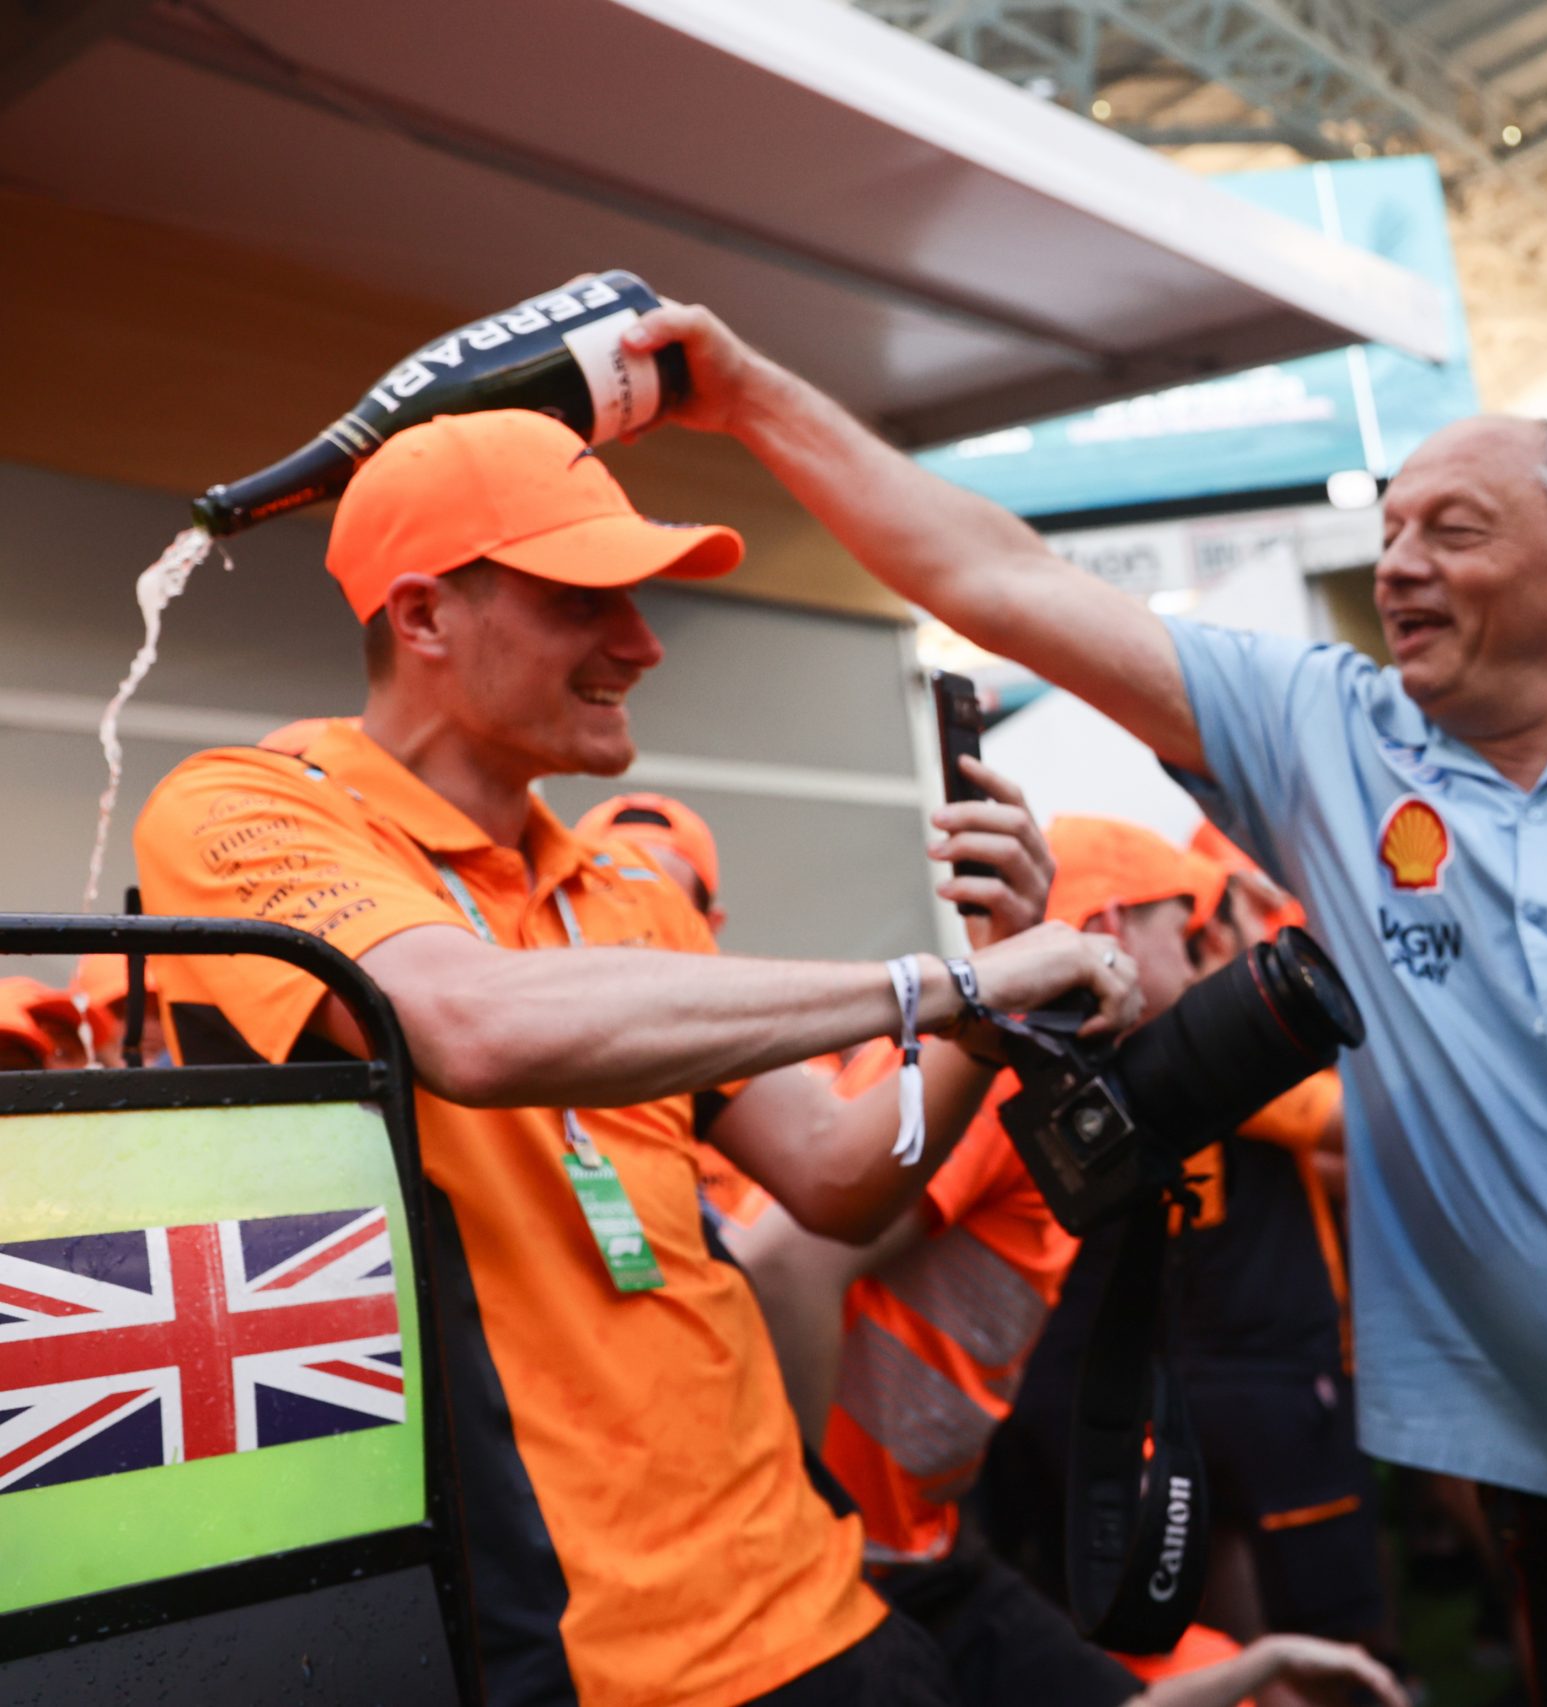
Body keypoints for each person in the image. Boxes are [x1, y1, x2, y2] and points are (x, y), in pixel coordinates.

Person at [613, 307, 1547, 1703]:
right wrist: (746, 395)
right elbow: (996, 577)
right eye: (1389, 528)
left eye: (1451, 530)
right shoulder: (1322, 740)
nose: (1398, 562)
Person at [133, 408, 1141, 1707]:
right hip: (578, 1653)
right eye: (582, 599)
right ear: (425, 615)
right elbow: (472, 1024)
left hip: (821, 1603)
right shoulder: (249, 805)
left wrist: (978, 1019)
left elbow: (838, 1174)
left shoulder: (618, 878)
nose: (643, 642)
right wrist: (932, 980)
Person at [622, 805, 1404, 1707]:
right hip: (849, 1562)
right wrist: (798, 1535)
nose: (1203, 963)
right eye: (1187, 931)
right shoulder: (1000, 1073)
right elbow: (787, 1263)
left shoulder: (1042, 1069)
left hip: (919, 1540)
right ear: (1109, 926)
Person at [994, 817, 1382, 1657]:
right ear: (1107, 932)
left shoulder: (1021, 1065)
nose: (1217, 953)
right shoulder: (1141, 1065)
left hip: (1110, 1397)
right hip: (1212, 1375)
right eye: (1196, 925)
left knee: (1208, 1621)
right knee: (1300, 1631)